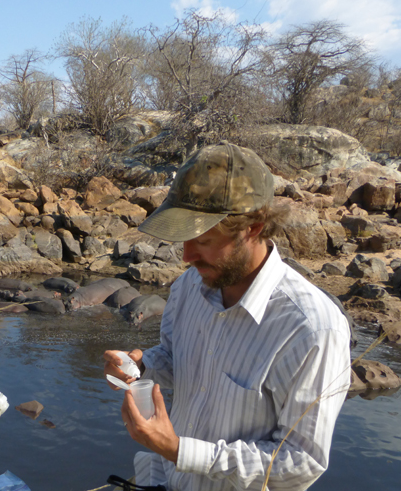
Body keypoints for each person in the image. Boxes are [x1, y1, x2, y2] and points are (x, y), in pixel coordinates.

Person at [104, 141, 351, 490]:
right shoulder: (188, 287)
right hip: (166, 480)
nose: (187, 255)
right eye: (184, 238)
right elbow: (177, 361)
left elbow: (299, 462)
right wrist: (141, 366)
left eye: (203, 239)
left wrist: (179, 450)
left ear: (253, 227)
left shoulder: (312, 329)